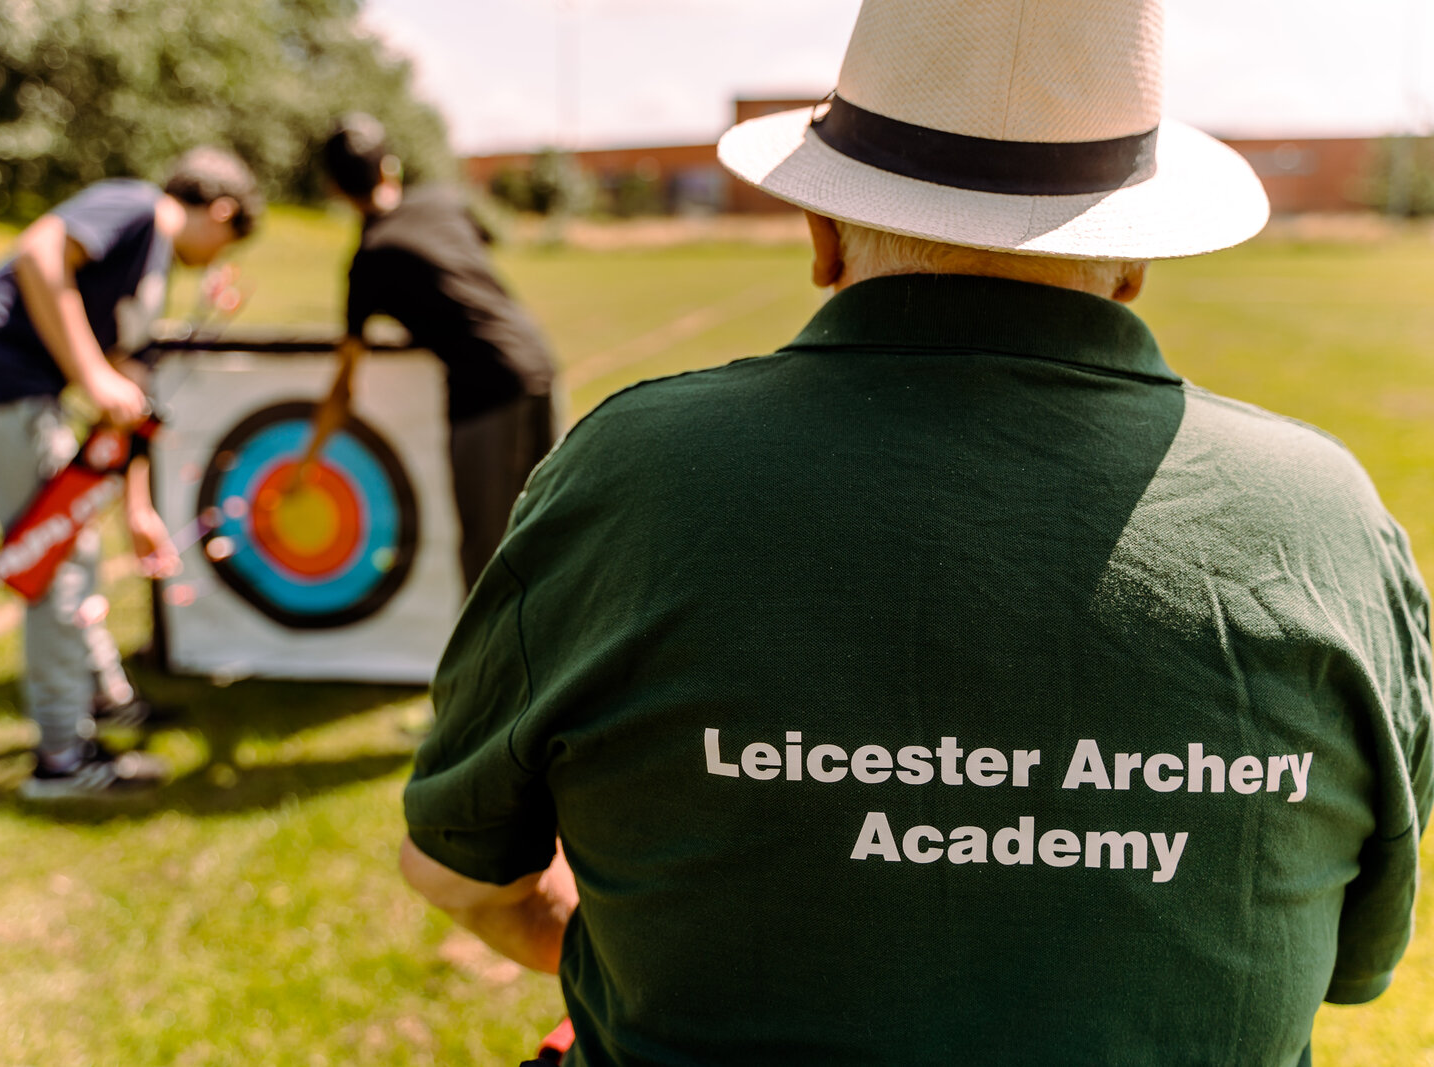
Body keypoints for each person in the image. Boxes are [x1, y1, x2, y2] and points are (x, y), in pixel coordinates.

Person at [399, 0, 1432, 1063]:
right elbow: (1350, 959)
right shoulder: (1330, 520)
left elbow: (456, 862)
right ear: (1133, 262)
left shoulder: (623, 475)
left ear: (820, 233)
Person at [0, 147, 263, 799]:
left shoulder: (149, 265)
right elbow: (38, 253)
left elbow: (127, 388)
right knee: (58, 560)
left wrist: (137, 508)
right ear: (221, 210)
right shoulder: (139, 205)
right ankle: (60, 756)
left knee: (75, 546)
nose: (221, 257)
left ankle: (105, 697)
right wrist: (90, 375)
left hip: (15, 393)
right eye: (229, 240)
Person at [314, 114, 559, 590]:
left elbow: (345, 381)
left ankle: (489, 666)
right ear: (390, 168)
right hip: (539, 363)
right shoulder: (444, 202)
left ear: (334, 189)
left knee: (487, 556)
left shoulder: (368, 261)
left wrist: (307, 460)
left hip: (485, 393)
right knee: (545, 538)